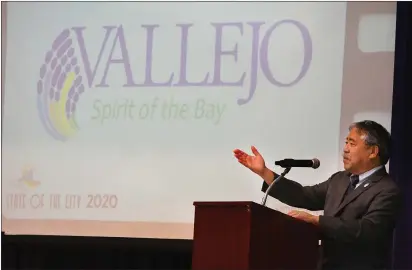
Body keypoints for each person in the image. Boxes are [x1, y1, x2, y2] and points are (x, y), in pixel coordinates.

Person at [233, 120, 402, 270]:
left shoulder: (386, 190)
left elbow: (368, 231)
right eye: (346, 142)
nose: (345, 149)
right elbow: (304, 195)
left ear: (373, 151)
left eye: (352, 143)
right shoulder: (340, 180)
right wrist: (264, 173)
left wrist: (317, 221)